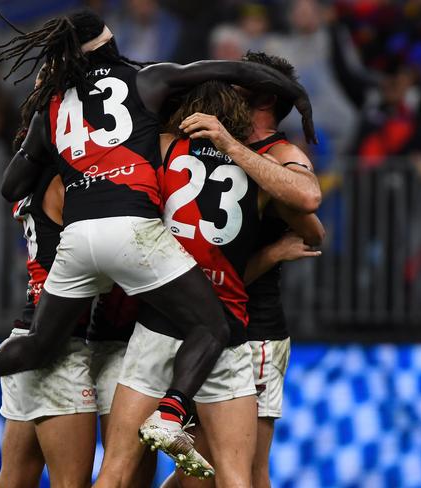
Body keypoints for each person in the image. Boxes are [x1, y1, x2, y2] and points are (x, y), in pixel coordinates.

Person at [0, 9, 316, 476]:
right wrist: (299, 96)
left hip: (77, 265)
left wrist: (47, 144)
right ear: (110, 44)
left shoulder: (54, 113)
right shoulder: (147, 81)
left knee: (41, 360)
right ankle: (171, 413)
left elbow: (11, 186)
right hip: (130, 251)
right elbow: (225, 72)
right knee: (214, 327)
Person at [95, 76, 322, 488]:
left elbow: (143, 94)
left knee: (115, 470)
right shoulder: (261, 172)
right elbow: (313, 223)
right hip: (227, 330)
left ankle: (169, 413)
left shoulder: (165, 147)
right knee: (237, 476)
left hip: (160, 321)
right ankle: (171, 414)